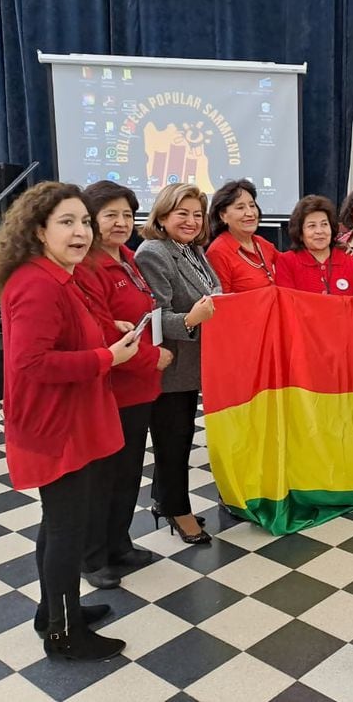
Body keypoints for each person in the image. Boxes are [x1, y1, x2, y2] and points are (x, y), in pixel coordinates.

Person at [0, 182, 137, 661]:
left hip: (67, 418)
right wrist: (104, 357)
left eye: (84, 222)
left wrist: (110, 334)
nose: (81, 232)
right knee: (68, 527)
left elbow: (73, 331)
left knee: (60, 522)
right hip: (55, 425)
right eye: (66, 222)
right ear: (38, 230)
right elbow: (32, 363)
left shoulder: (56, 275)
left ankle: (53, 611)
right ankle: (64, 635)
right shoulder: (36, 283)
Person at [73, 181, 173, 589]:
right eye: (110, 215)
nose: (120, 223)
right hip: (114, 386)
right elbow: (100, 332)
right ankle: (92, 557)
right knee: (103, 477)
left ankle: (119, 544)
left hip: (140, 387)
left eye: (128, 215)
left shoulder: (130, 259)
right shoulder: (88, 267)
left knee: (129, 471)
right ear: (92, 220)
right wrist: (154, 359)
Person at [136, 183, 219, 545]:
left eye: (197, 214)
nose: (190, 220)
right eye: (181, 213)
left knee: (181, 437)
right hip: (170, 366)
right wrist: (192, 318)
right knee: (173, 441)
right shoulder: (153, 253)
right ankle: (177, 510)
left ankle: (164, 500)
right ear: (163, 215)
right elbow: (155, 316)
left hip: (192, 364)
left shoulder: (192, 250)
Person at [275, 194, 353, 295]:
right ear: (300, 233)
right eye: (312, 226)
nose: (319, 231)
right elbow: (286, 304)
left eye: (324, 224)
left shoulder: (350, 261)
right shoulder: (287, 262)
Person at [205, 178, 278, 293]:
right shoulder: (218, 252)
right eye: (240, 207)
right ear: (223, 216)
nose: (250, 213)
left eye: (252, 205)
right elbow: (223, 301)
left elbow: (290, 267)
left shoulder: (262, 244)